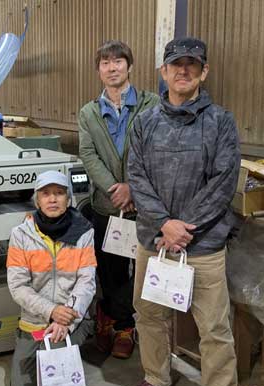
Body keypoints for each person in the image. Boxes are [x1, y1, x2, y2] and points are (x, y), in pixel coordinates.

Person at [121, 37, 240, 386]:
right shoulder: (145, 122)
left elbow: (223, 182)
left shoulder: (221, 122)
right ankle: (156, 378)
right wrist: (164, 224)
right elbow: (136, 176)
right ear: (164, 72)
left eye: (192, 64)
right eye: (176, 64)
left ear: (204, 72)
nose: (183, 70)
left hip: (202, 244)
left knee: (214, 326)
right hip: (155, 242)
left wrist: (183, 226)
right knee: (149, 316)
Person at [78, 41, 159, 358]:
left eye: (118, 61)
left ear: (130, 66)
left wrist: (133, 189)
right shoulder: (89, 113)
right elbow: (88, 155)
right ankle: (113, 324)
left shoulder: (152, 105)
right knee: (110, 271)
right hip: (107, 206)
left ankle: (130, 327)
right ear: (98, 70)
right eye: (105, 62)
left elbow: (157, 151)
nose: (112, 68)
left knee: (143, 271)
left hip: (145, 206)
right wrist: (116, 189)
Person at [7, 171, 96, 386]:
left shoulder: (84, 232)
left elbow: (86, 282)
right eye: (46, 194)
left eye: (59, 193)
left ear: (68, 199)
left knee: (63, 381)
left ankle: (67, 342)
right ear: (37, 200)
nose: (53, 199)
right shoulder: (21, 235)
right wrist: (51, 311)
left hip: (70, 318)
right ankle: (32, 347)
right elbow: (18, 286)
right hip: (34, 319)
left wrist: (65, 318)